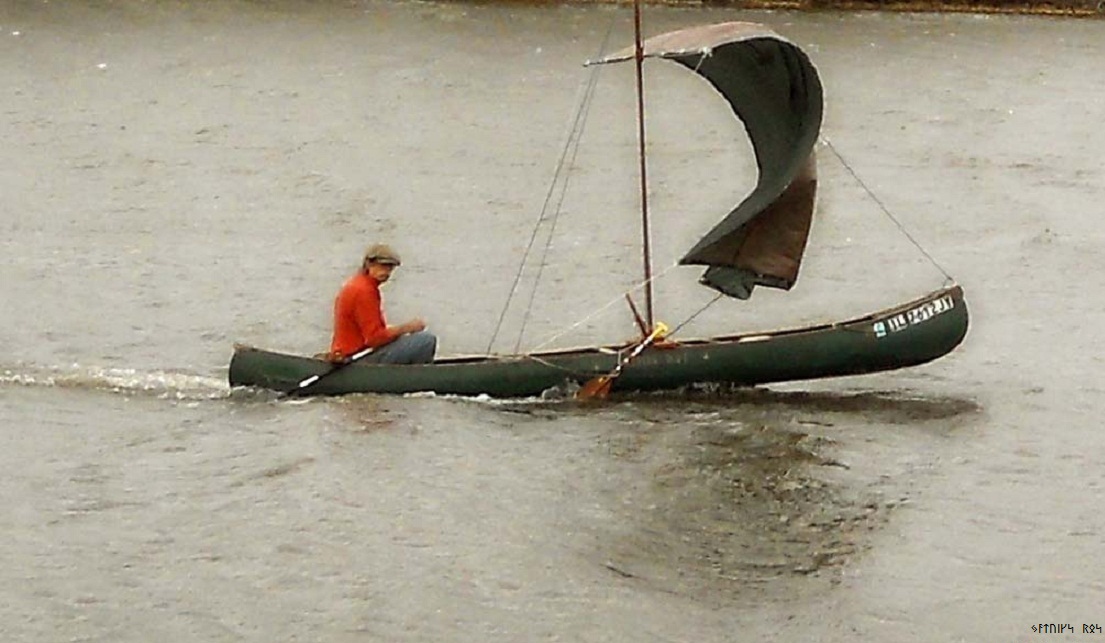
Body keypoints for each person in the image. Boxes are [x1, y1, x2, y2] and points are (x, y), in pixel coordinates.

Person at [328, 243, 437, 364]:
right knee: (425, 340)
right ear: (369, 264)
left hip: (349, 354)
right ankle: (417, 377)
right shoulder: (364, 291)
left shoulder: (356, 284)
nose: (387, 272)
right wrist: (407, 328)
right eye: (383, 266)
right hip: (355, 358)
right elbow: (374, 339)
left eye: (390, 268)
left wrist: (395, 332)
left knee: (403, 338)